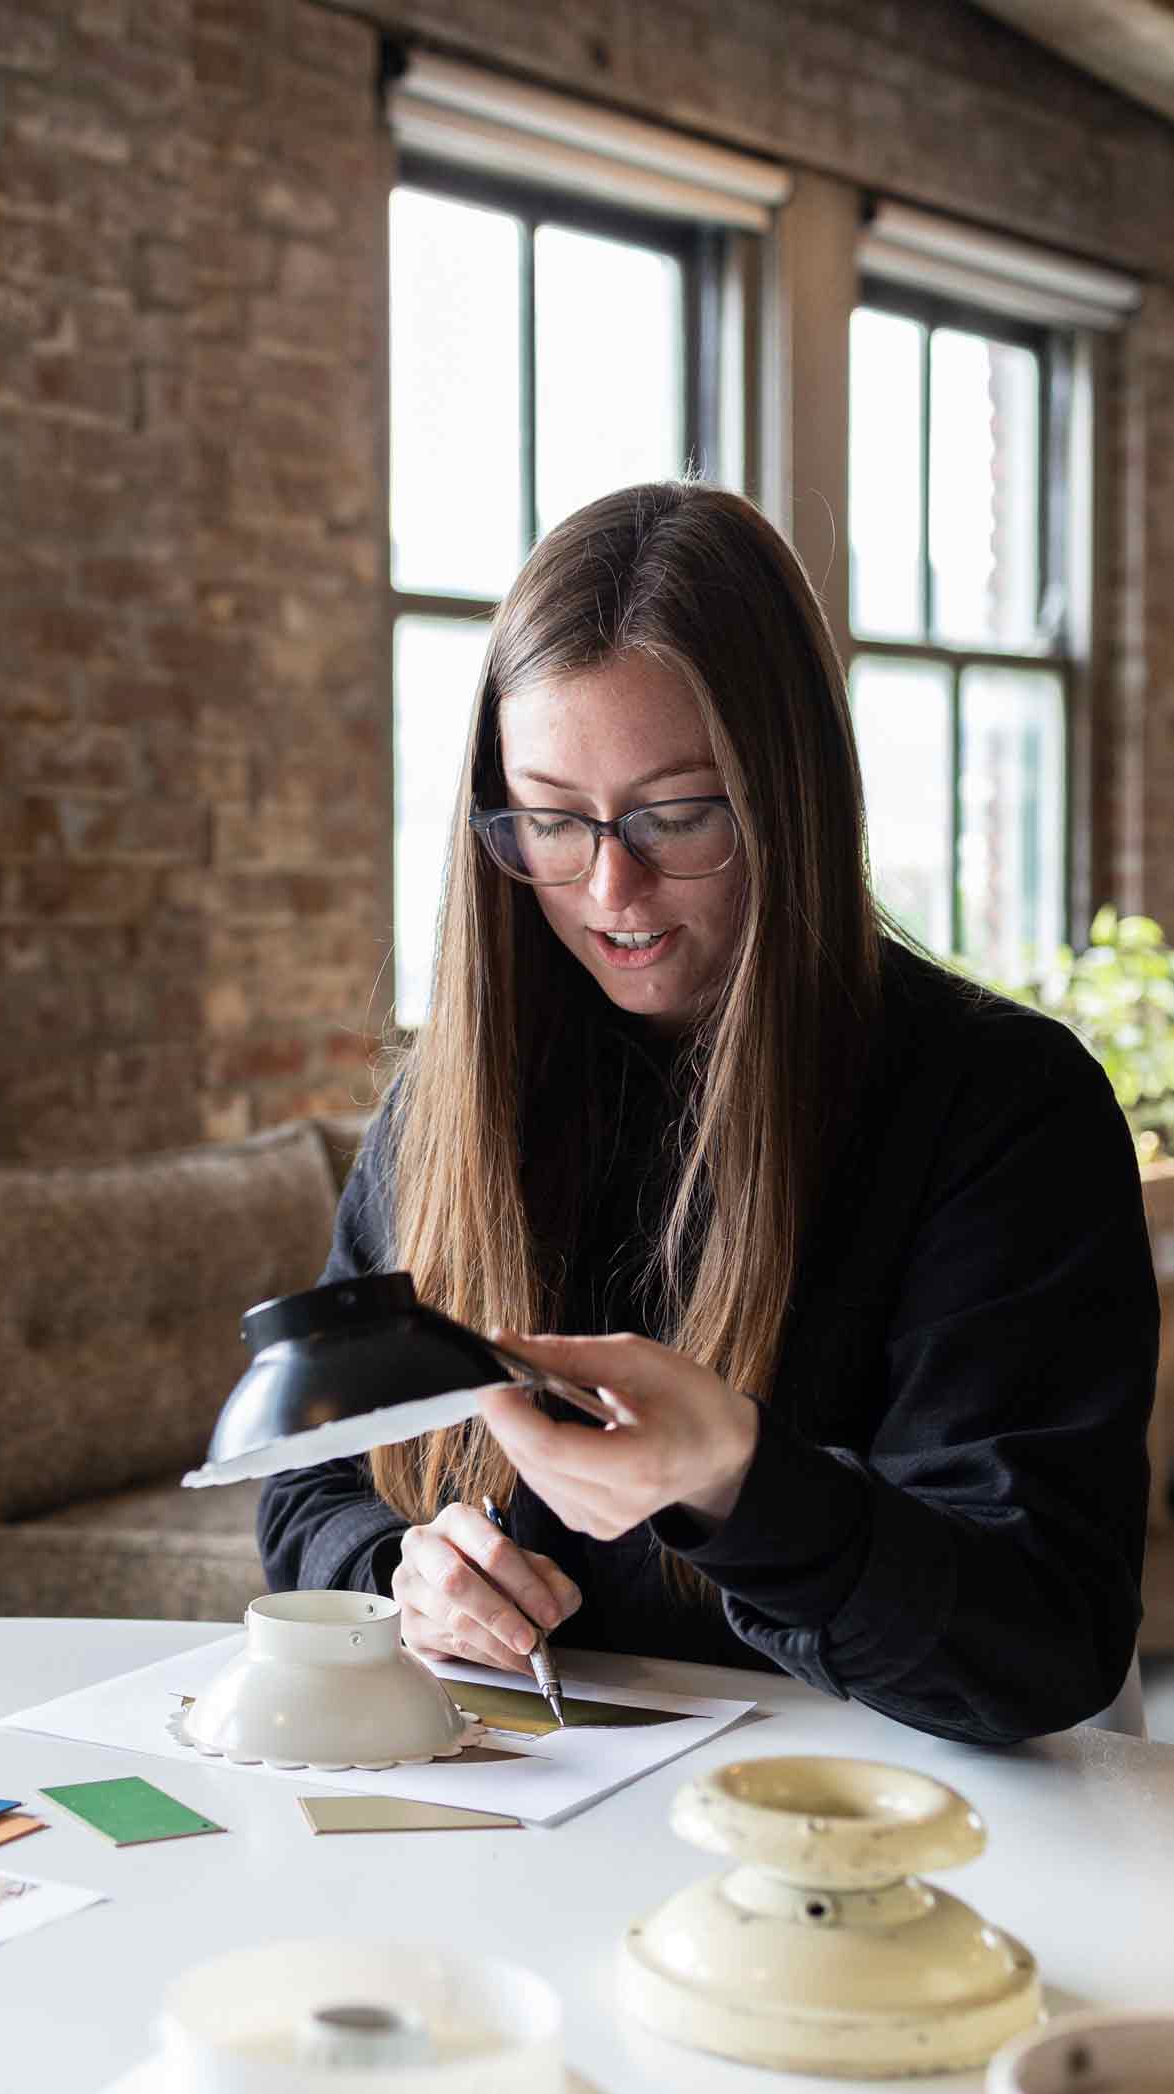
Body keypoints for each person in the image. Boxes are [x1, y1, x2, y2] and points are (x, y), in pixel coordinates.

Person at [258, 480, 1157, 1748]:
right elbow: (310, 1482)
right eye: (554, 820)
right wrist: (399, 1572)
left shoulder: (1001, 1109)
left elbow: (1043, 1643)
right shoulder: (451, 1098)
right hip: (516, 1809)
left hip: (865, 1836)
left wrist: (737, 1479)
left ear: (789, 791)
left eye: (676, 814)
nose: (610, 888)